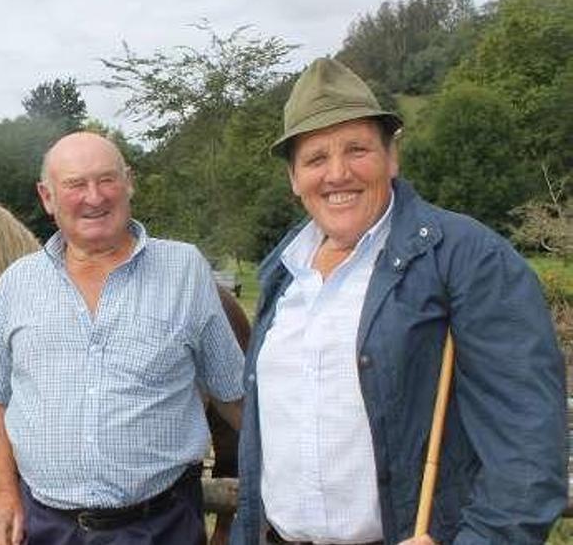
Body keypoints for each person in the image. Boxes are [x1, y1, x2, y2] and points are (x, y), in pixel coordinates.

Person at [233, 58, 567, 545]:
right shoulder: (284, 271)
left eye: (357, 149)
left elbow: (528, 448)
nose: (337, 173)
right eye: (315, 158)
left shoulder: (466, 256)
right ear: (294, 178)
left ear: (392, 157)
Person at [0, 131, 246, 545]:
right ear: (47, 197)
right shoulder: (16, 284)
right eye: (75, 184)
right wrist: (7, 495)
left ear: (128, 181)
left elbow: (233, 396)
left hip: (162, 525)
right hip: (46, 528)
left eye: (106, 179)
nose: (94, 197)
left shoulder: (184, 270)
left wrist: (291, 464)